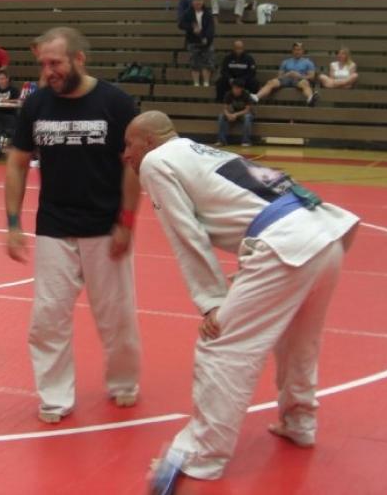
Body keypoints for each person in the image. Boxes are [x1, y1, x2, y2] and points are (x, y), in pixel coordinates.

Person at [123, 111, 359, 494]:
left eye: (128, 144)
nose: (125, 155)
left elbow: (185, 233)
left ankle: (202, 454)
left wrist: (212, 301)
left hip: (287, 244)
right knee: (299, 339)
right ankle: (299, 422)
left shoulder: (157, 161)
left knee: (222, 343)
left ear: (148, 141)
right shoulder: (201, 151)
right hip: (323, 234)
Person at [5, 27, 142, 424]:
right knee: (47, 317)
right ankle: (55, 396)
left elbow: (132, 167)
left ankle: (124, 382)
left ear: (79, 59)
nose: (48, 71)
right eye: (43, 64)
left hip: (105, 226)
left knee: (116, 316)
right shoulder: (36, 104)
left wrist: (126, 222)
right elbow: (17, 163)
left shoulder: (116, 103)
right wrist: (13, 223)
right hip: (55, 225)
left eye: (56, 63)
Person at [251, 42, 319, 106]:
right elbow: (279, 76)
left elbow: (312, 77)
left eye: (299, 50)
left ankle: (310, 98)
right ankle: (256, 97)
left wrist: (299, 76)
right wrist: (288, 74)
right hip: (286, 79)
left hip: (299, 80)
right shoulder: (286, 62)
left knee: (305, 83)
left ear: (303, 51)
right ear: (292, 51)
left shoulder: (308, 62)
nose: (297, 51)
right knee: (271, 82)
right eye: (295, 50)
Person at [179, 0, 215, 87]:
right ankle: (196, 83)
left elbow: (211, 28)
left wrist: (207, 38)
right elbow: (181, 24)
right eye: (196, 1)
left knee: (207, 63)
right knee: (194, 63)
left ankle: (206, 83)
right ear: (192, 2)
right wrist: (192, 28)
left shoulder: (208, 13)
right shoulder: (188, 13)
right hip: (193, 41)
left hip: (207, 41)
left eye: (199, 1)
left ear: (203, 2)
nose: (198, 3)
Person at [215, 78, 253, 147]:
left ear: (241, 89)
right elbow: (225, 108)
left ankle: (246, 141)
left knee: (247, 117)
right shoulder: (228, 94)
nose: (235, 90)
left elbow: (247, 110)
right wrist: (228, 114)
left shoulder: (246, 94)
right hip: (233, 113)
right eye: (234, 88)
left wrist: (236, 114)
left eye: (237, 88)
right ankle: (221, 141)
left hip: (244, 114)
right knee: (221, 116)